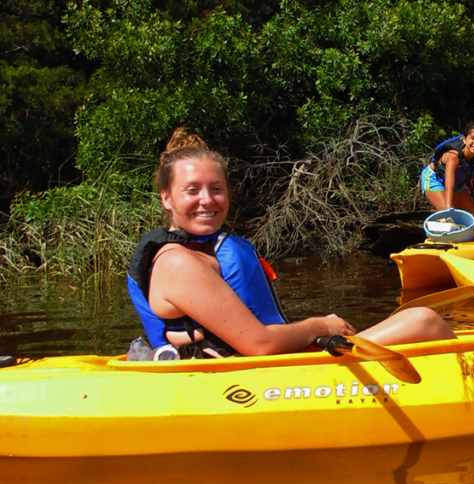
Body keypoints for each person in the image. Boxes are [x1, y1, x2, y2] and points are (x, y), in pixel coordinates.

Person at [127, 127, 455, 359]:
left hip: (271, 364)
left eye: (216, 188)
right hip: (254, 375)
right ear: (166, 197)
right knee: (423, 320)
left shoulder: (197, 252)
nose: (207, 200)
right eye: (192, 190)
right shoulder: (178, 262)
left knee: (422, 320)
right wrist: (320, 324)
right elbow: (260, 345)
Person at [420, 122, 474, 219]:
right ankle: (440, 218)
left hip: (457, 182)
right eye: (472, 138)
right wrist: (448, 206)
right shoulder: (454, 156)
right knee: (450, 217)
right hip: (435, 179)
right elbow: (449, 185)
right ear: (464, 140)